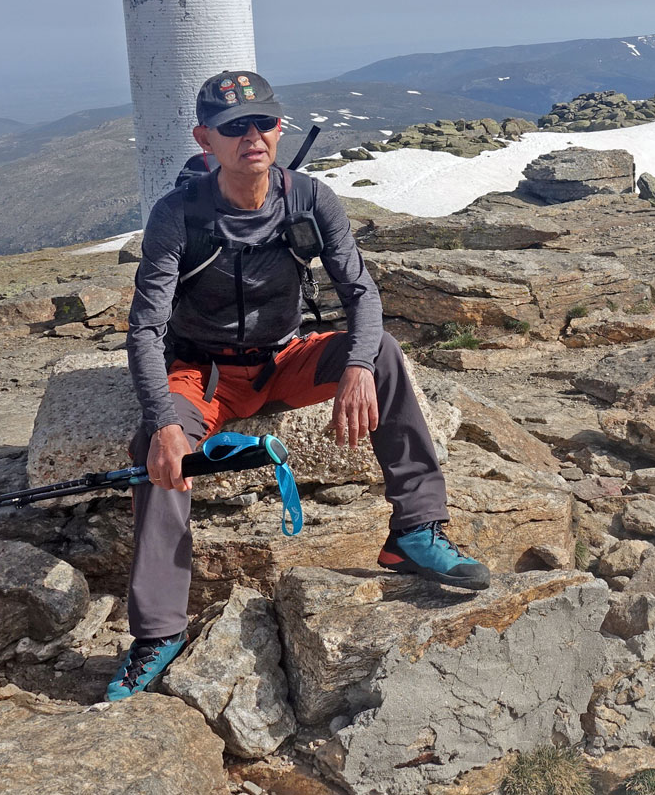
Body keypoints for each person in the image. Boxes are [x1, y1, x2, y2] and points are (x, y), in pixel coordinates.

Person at [106, 69, 488, 702]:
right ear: (205, 139)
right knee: (158, 450)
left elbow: (361, 294)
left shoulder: (310, 199)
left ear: (279, 127)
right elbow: (145, 328)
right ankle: (159, 630)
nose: (251, 136)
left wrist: (358, 365)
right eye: (233, 127)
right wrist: (166, 421)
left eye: (262, 122)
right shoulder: (179, 214)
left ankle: (414, 531)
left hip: (284, 358)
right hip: (205, 371)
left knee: (384, 355)